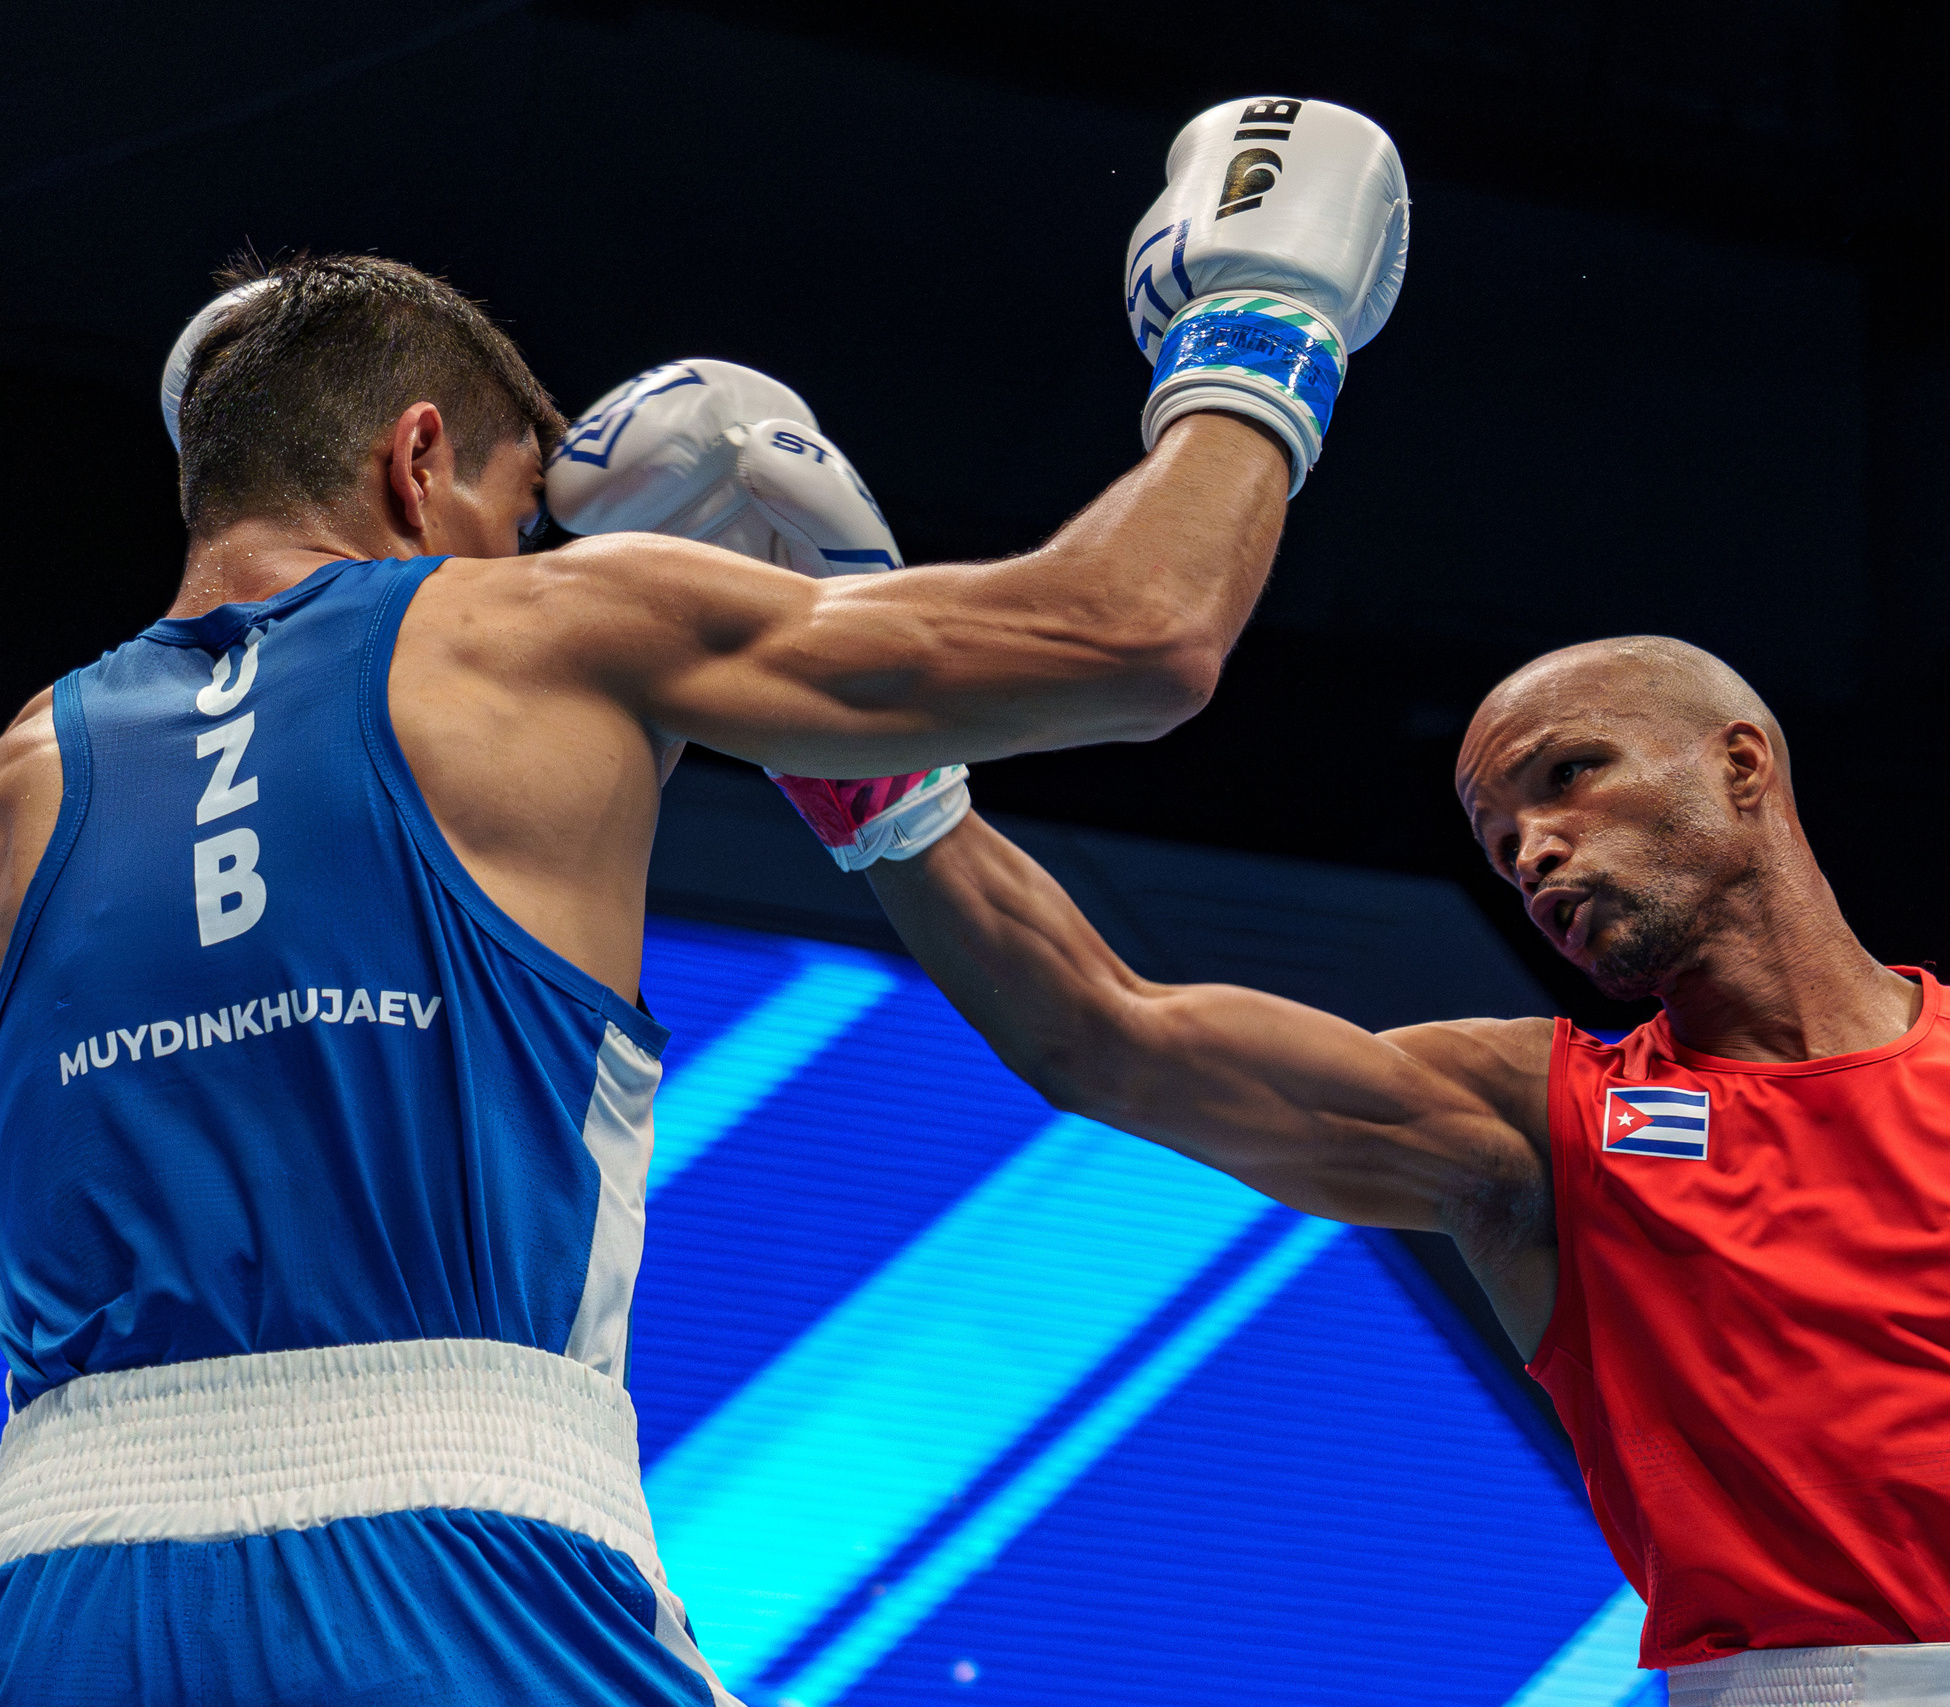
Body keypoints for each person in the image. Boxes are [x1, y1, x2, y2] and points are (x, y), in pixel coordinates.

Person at [0, 97, 1406, 1706]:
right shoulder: (536, 626)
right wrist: (1262, 326)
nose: (520, 552)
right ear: (419, 461)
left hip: (53, 1585)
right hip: (462, 1555)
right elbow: (1140, 634)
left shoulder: (23, 776)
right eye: (515, 516)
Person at [853, 634, 1950, 1707]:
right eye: (1500, 838)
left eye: (1566, 778)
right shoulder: (1533, 1123)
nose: (1533, 852)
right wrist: (855, 747)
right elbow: (1106, 1037)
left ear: (1743, 764)